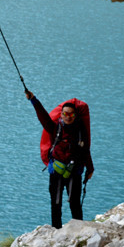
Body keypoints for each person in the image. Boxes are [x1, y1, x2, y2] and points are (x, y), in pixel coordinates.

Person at [25, 90, 94, 228]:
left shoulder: (81, 131)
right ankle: (57, 230)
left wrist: (90, 169)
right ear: (61, 114)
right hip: (56, 171)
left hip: (74, 171)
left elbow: (85, 150)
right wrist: (33, 99)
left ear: (75, 115)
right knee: (55, 203)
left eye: (71, 114)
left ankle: (79, 230)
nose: (68, 117)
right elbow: (43, 116)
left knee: (74, 203)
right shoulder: (55, 127)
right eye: (65, 114)